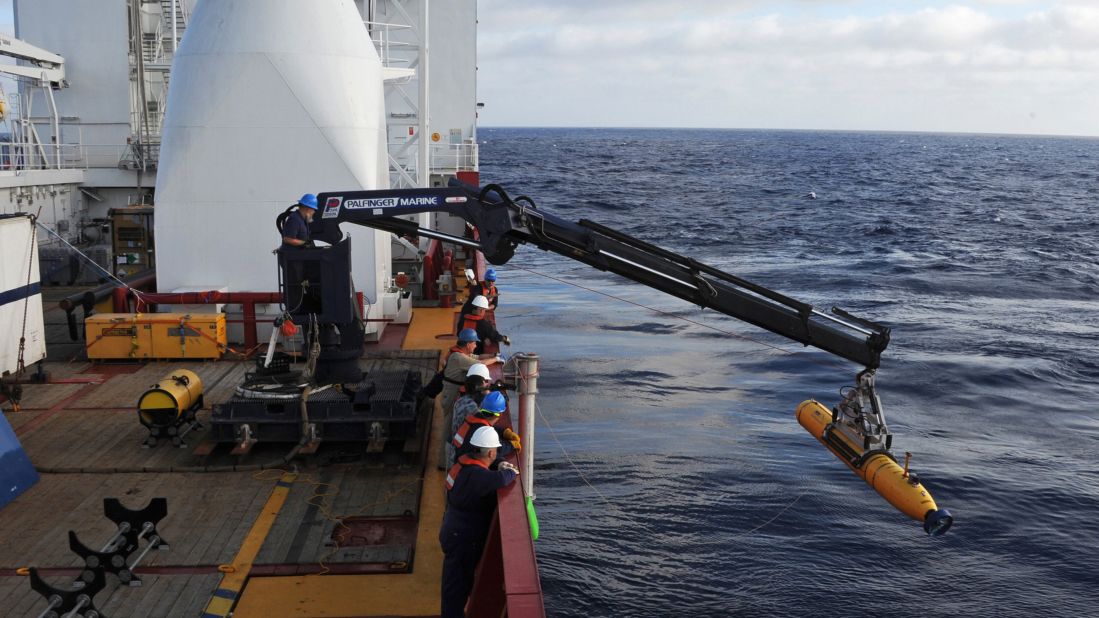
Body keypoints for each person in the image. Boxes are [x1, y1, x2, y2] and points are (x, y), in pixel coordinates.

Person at [440, 426, 519, 618]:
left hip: (452, 529)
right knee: (456, 588)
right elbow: (501, 479)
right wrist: (510, 471)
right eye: (495, 452)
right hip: (462, 538)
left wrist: (499, 463)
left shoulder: (461, 465)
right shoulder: (478, 477)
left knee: (455, 583)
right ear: (491, 451)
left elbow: (487, 472)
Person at [440, 329, 500, 467]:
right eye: (474, 343)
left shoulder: (462, 354)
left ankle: (446, 460)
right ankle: (443, 462)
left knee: (450, 425)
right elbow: (480, 364)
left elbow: (477, 357)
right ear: (467, 344)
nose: (475, 346)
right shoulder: (458, 357)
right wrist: (496, 359)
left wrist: (493, 354)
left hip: (453, 391)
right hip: (451, 393)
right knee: (447, 427)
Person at [451, 390, 520, 465]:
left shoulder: (474, 418)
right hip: (465, 467)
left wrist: (504, 432)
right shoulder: (481, 430)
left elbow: (485, 426)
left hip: (457, 460)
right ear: (500, 414)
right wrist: (511, 445)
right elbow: (494, 450)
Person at [445, 363, 493, 467]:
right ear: (480, 384)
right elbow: (487, 421)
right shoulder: (471, 408)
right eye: (486, 382)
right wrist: (489, 397)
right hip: (458, 454)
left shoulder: (461, 400)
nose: (488, 385)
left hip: (454, 449)